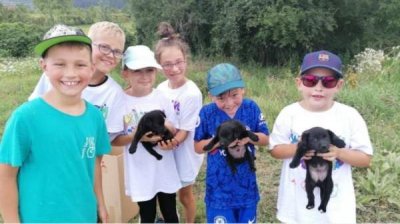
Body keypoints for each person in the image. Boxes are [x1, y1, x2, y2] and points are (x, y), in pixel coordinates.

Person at [0, 24, 111, 222]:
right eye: (60, 64)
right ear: (44, 66)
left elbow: (95, 162)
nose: (71, 73)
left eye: (80, 64)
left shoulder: (95, 117)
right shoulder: (25, 118)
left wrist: (100, 203)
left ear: (92, 68)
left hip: (84, 216)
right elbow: (6, 176)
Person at [269, 50, 373, 223]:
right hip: (295, 208)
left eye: (328, 81)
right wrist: (299, 148)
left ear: (339, 85)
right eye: (310, 80)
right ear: (299, 83)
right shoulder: (289, 113)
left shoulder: (350, 116)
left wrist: (339, 153)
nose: (318, 87)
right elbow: (274, 150)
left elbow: (365, 159)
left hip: (336, 211)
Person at [111, 45, 181, 223]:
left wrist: (170, 136)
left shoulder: (162, 97)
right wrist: (138, 137)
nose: (145, 76)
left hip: (164, 168)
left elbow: (174, 130)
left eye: (149, 70)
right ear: (125, 73)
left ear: (156, 72)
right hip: (140, 172)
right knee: (147, 215)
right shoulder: (119, 100)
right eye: (137, 71)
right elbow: (115, 140)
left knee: (170, 213)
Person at [194, 63, 269, 223]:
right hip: (218, 191)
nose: (229, 103)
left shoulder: (251, 108)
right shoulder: (207, 113)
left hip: (246, 189)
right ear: (211, 96)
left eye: (234, 95)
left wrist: (249, 137)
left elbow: (265, 138)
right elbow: (198, 147)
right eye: (221, 98)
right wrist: (220, 141)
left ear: (243, 89)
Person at [28, 21, 126, 138]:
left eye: (117, 52)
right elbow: (33, 111)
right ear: (88, 47)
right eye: (104, 47)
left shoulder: (114, 93)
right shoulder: (54, 77)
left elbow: (106, 139)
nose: (111, 55)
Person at [154, 21, 204, 223]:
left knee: (184, 195)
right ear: (159, 65)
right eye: (167, 64)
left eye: (179, 62)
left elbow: (184, 132)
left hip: (183, 152)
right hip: (165, 148)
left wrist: (171, 144)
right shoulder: (160, 89)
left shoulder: (192, 93)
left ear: (186, 60)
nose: (174, 68)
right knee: (165, 191)